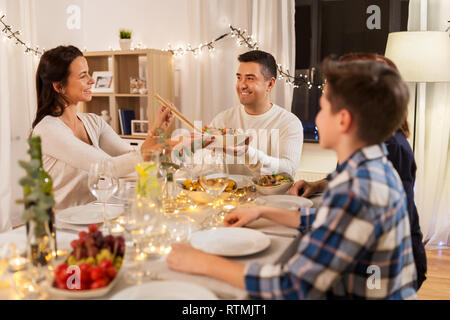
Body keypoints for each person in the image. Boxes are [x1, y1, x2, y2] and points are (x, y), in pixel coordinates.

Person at [167, 58, 417, 299]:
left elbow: (292, 287)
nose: (317, 119)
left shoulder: (357, 188)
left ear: (344, 120)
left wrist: (204, 262)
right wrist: (261, 212)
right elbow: (327, 218)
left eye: (324, 109)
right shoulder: (368, 168)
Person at [289, 52, 427, 290]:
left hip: (387, 272)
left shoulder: (390, 149)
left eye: (324, 103)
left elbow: (292, 286)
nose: (316, 116)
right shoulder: (367, 151)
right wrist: (318, 185)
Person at [32, 45, 176, 210]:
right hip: (60, 224)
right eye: (83, 75)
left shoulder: (93, 121)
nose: (92, 80)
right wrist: (168, 145)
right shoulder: (47, 130)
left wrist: (157, 131)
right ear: (59, 87)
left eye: (89, 73)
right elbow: (108, 167)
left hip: (93, 214)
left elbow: (131, 157)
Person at [206, 50, 303, 178]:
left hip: (272, 198)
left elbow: (288, 170)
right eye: (239, 78)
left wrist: (247, 154)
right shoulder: (222, 120)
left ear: (270, 84)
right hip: (230, 197)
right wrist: (196, 150)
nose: (242, 85)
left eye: (250, 78)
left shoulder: (289, 122)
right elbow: (207, 168)